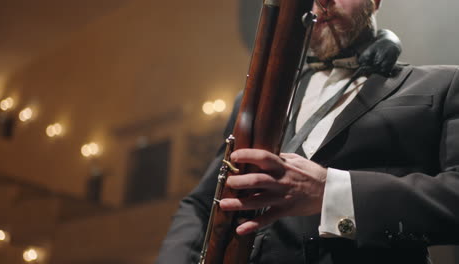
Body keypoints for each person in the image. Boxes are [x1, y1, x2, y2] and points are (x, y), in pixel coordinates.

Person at [157, 0, 459, 263]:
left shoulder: (445, 84)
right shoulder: (256, 99)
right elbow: (201, 204)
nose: (322, 1)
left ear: (375, 0)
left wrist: (330, 192)